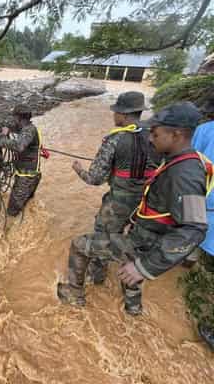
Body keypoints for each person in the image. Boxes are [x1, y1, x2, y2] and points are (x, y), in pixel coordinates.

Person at [57, 102, 209, 316]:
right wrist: (134, 219)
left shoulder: (186, 174)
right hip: (144, 233)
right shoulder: (178, 161)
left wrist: (145, 266)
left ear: (176, 135)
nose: (149, 138)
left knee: (80, 245)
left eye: (155, 134)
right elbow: (158, 202)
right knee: (130, 266)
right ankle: (133, 311)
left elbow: (194, 228)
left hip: (146, 242)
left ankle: (74, 294)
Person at [59, 91, 157, 289]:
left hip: (119, 203)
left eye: (115, 112)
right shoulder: (156, 136)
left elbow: (95, 179)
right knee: (133, 244)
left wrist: (78, 170)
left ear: (123, 114)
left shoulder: (115, 139)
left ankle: (97, 280)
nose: (113, 116)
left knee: (103, 240)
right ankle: (131, 296)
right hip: (149, 204)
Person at [189, 99, 214, 350]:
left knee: (191, 233)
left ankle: (188, 260)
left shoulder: (206, 130)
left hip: (202, 201)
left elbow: (191, 163)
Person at [0, 104, 43, 217]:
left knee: (11, 213)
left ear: (19, 118)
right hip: (28, 177)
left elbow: (19, 146)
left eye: (14, 117)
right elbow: (10, 126)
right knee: (24, 208)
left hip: (26, 179)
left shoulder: (29, 131)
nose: (13, 119)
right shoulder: (25, 127)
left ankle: (8, 233)